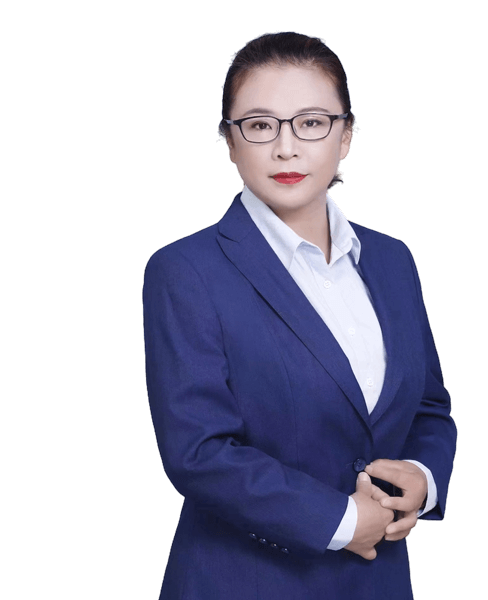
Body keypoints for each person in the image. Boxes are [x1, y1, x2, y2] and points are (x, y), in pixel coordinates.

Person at [143, 31, 456, 600]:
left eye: (311, 122)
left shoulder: (393, 260)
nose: (286, 148)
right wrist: (341, 519)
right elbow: (198, 452)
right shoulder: (185, 270)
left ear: (346, 136)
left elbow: (429, 407)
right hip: (242, 584)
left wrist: (424, 478)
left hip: (380, 581)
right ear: (230, 142)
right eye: (260, 125)